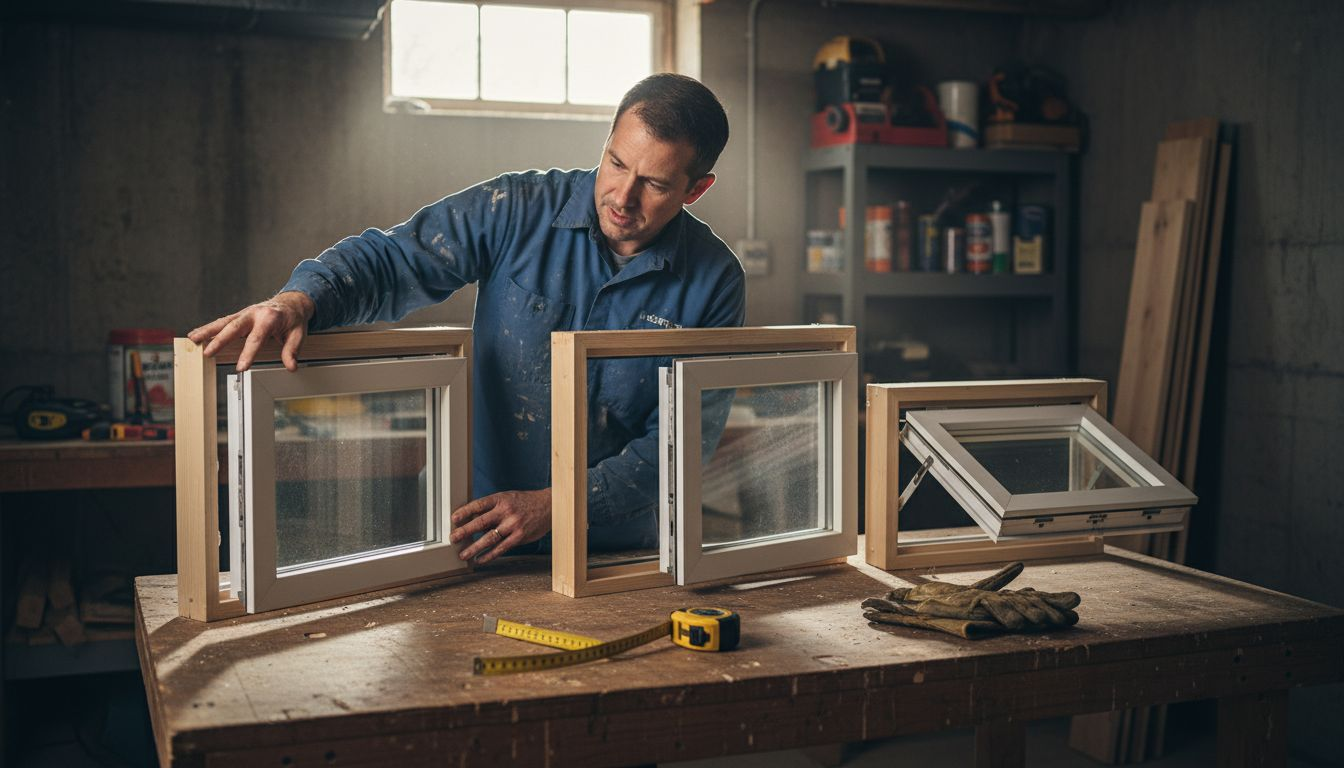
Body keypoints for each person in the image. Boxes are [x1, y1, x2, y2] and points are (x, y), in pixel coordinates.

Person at [188, 73, 744, 566]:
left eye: (655, 184)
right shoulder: (518, 209)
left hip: (609, 557)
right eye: (616, 163)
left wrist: (562, 505)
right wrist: (300, 299)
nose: (622, 196)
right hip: (467, 538)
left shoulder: (715, 281)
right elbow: (394, 258)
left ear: (696, 189)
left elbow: (680, 441)